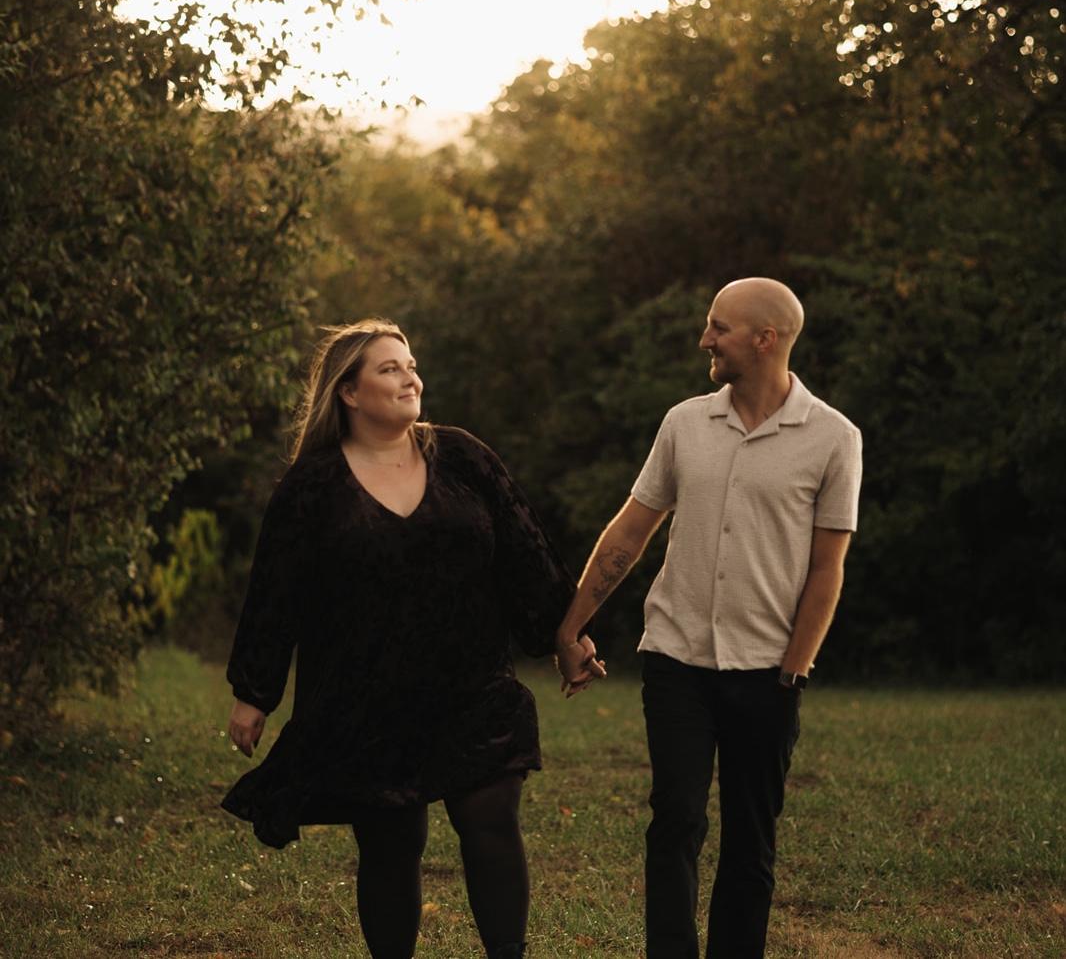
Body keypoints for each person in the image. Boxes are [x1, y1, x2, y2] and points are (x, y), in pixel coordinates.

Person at [222, 319, 597, 959]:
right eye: (389, 368)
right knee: (392, 845)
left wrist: (565, 635)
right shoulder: (313, 485)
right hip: (369, 700)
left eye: (412, 365)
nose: (410, 378)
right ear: (348, 391)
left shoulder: (463, 457)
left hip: (474, 688)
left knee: (490, 821)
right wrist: (254, 693)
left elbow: (526, 552)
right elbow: (276, 591)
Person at [555, 278, 862, 959]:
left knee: (752, 840)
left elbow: (826, 569)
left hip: (769, 672)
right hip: (676, 661)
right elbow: (630, 530)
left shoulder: (834, 438)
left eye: (719, 328)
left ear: (765, 339)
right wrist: (570, 626)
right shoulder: (684, 423)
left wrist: (794, 669)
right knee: (675, 823)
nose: (705, 340)